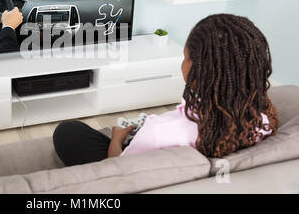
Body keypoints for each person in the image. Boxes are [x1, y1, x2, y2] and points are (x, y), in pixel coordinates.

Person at [52, 14, 279, 166]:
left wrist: (117, 139)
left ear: (195, 71)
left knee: (68, 131)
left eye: (185, 57)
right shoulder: (263, 119)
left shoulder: (160, 131)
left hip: (134, 166)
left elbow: (118, 168)